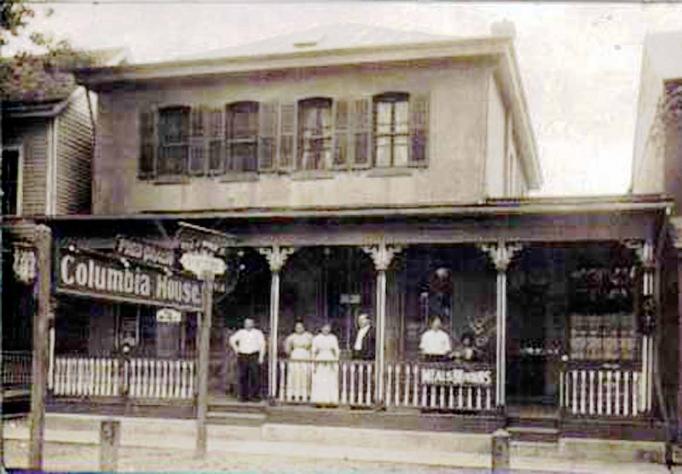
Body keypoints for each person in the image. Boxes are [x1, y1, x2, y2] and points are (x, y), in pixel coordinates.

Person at [229, 318, 266, 402]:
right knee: (243, 376)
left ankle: (255, 396)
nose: (247, 325)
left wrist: (261, 357)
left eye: (249, 323)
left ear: (253, 324)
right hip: (243, 355)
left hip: (254, 355)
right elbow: (232, 340)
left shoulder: (258, 333)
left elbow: (262, 345)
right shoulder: (241, 332)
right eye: (246, 323)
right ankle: (243, 396)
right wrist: (236, 349)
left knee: (255, 376)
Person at [310, 323, 340, 406]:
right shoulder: (317, 338)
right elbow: (313, 350)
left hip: (330, 359)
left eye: (328, 328)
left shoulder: (333, 338)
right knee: (320, 380)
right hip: (320, 358)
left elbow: (336, 350)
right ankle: (319, 400)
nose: (326, 330)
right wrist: (314, 362)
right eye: (324, 328)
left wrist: (336, 360)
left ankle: (331, 400)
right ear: (321, 329)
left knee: (330, 380)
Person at [284, 320, 313, 402]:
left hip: (305, 355)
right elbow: (287, 348)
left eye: (300, 327)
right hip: (295, 355)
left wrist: (310, 354)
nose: (299, 329)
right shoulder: (291, 337)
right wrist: (291, 353)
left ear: (304, 328)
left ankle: (306, 393)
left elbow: (312, 347)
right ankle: (294, 393)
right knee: (295, 374)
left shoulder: (309, 336)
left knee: (305, 375)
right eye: (297, 327)